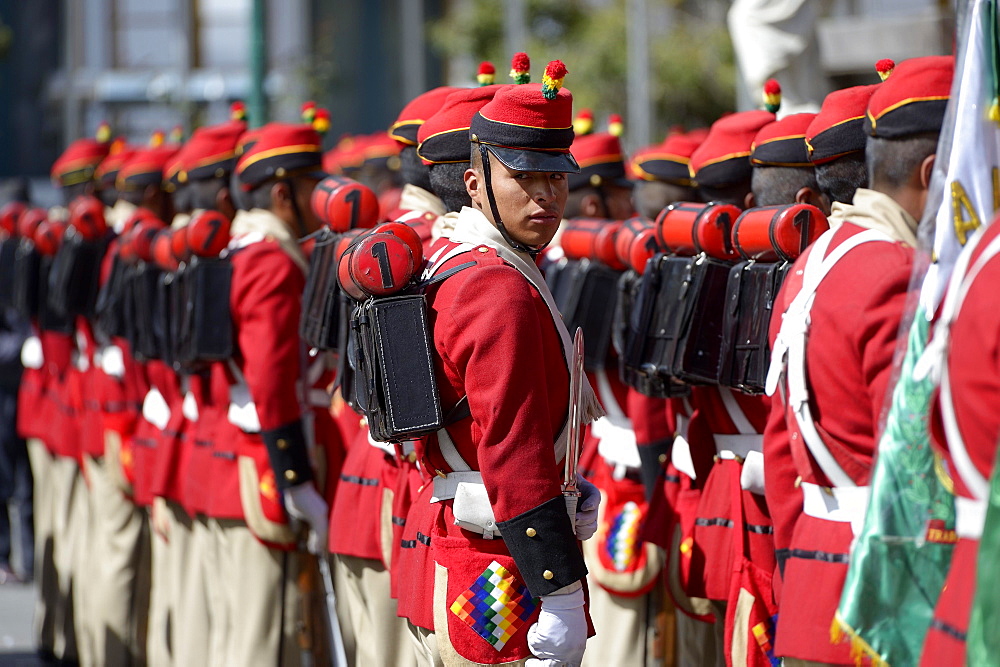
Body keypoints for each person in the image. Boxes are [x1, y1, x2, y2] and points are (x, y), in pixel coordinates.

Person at [396, 61, 604, 666]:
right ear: (473, 181)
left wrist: (570, 489)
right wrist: (560, 593)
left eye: (557, 177)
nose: (545, 194)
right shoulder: (495, 284)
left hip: (481, 551)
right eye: (524, 176)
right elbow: (511, 449)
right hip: (499, 576)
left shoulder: (474, 262)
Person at [764, 55, 953, 665]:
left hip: (815, 591)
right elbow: (922, 473)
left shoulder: (812, 264)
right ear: (934, 173)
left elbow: (780, 459)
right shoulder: (896, 275)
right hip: (887, 601)